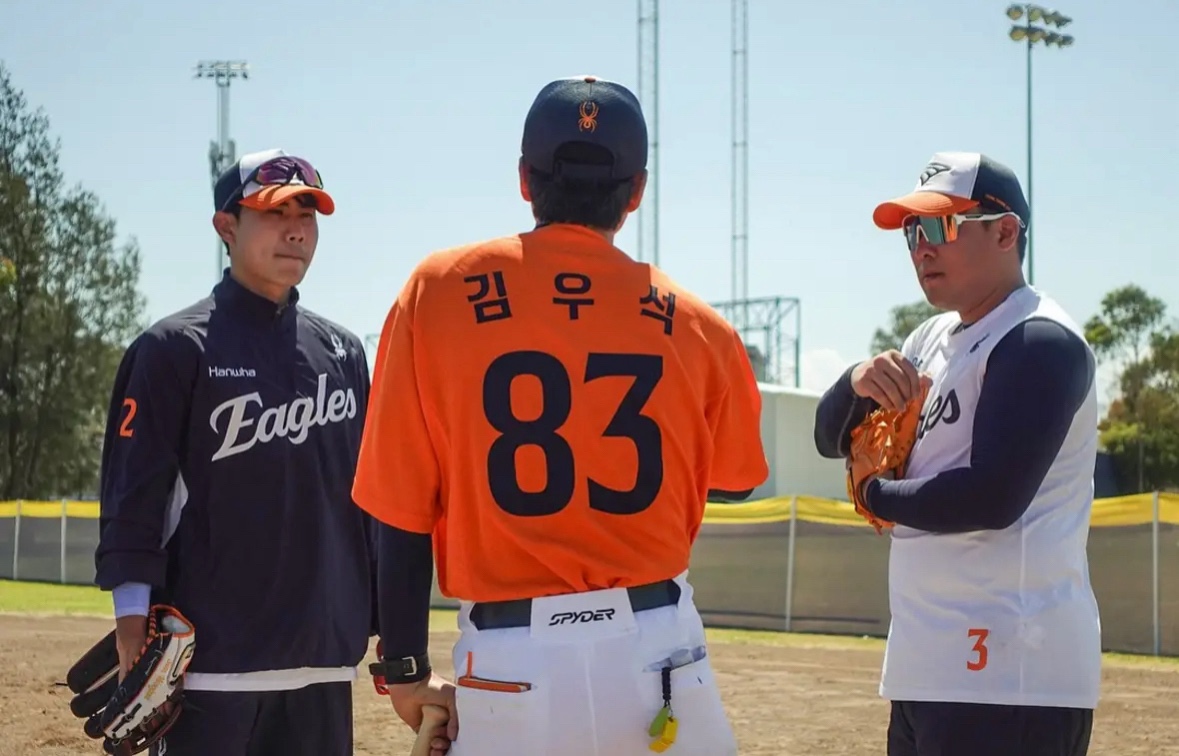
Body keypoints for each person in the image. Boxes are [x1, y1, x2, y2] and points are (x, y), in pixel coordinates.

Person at [352, 75, 769, 756]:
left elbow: (400, 508)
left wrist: (403, 666)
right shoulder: (699, 325)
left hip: (510, 658)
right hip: (658, 647)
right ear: (635, 191)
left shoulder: (437, 291)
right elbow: (737, 480)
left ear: (525, 179)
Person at [813, 151, 1101, 756]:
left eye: (940, 225)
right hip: (926, 665)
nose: (921, 248)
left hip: (1013, 675)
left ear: (1005, 232)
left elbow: (990, 497)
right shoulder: (930, 340)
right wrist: (855, 381)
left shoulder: (1038, 340)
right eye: (911, 231)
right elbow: (827, 437)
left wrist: (873, 494)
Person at [93, 148, 377, 756]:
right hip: (212, 668)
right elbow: (134, 498)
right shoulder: (173, 348)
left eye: (307, 215)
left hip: (324, 664)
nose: (297, 230)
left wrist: (386, 630)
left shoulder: (345, 352)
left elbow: (366, 503)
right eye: (275, 213)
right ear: (227, 226)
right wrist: (131, 626)